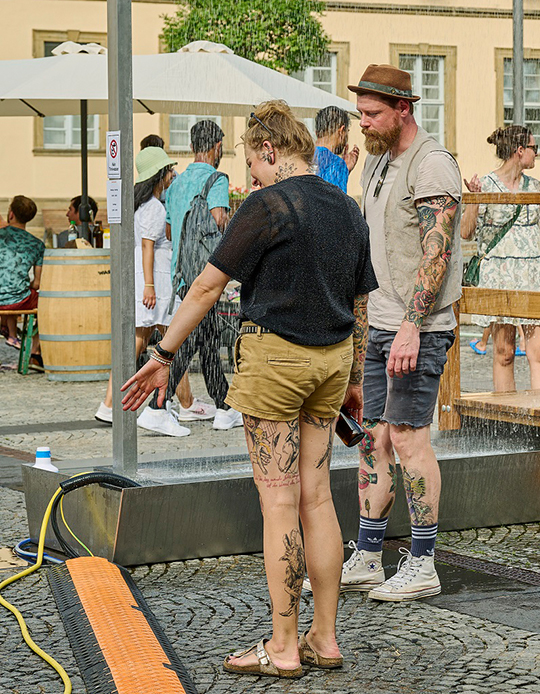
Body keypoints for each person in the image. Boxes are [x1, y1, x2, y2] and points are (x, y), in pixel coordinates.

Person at [121, 100, 374, 676]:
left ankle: (284, 647)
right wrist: (355, 377)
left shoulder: (269, 204)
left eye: (253, 166)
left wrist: (163, 354)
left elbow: (209, 287)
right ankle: (325, 638)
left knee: (279, 501)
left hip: (276, 362)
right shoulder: (348, 207)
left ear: (269, 151)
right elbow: (361, 302)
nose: (251, 179)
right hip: (331, 364)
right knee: (317, 497)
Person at [331, 64, 463, 602]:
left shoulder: (431, 165)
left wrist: (413, 325)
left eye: (372, 114)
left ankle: (424, 561)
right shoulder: (380, 162)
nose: (362, 123)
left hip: (420, 326)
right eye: (360, 113)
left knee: (409, 438)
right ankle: (366, 554)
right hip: (384, 324)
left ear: (403, 109)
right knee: (374, 439)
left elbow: (438, 251)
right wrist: (364, 336)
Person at [95, 148, 215, 429]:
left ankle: (115, 404)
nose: (172, 174)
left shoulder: (139, 204)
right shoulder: (154, 207)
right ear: (159, 175)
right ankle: (179, 405)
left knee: (160, 343)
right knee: (169, 342)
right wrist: (149, 285)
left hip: (150, 279)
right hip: (157, 281)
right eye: (169, 170)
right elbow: (148, 245)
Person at [460, 125, 540, 392]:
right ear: (520, 151)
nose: (537, 154)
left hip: (533, 274)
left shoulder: (535, 186)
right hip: (499, 273)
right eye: (534, 148)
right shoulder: (485, 184)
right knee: (504, 351)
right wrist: (474, 200)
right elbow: (466, 233)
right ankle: (507, 420)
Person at [148, 119, 240, 432]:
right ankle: (156, 407)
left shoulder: (175, 184)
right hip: (207, 277)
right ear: (217, 147)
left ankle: (225, 406)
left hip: (184, 276)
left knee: (206, 341)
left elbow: (171, 231)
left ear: (191, 147)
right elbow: (218, 222)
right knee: (189, 343)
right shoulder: (217, 179)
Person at [0, 196, 44, 366]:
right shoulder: (37, 244)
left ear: (11, 214)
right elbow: (37, 283)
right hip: (18, 301)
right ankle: (34, 352)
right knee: (47, 305)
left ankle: (6, 327)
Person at [314, 105, 360, 193]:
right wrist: (342, 169)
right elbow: (337, 203)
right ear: (341, 131)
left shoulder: (303, 155)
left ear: (317, 133)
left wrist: (345, 171)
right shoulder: (336, 164)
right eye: (347, 132)